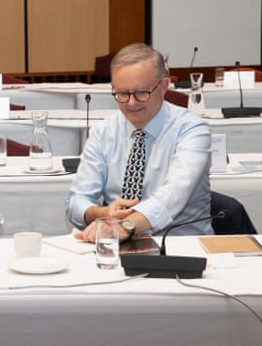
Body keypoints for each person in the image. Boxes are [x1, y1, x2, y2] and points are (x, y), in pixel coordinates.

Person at [66, 43, 213, 243]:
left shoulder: (191, 129)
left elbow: (173, 196)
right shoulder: (103, 131)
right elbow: (76, 200)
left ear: (163, 86)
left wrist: (126, 225)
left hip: (180, 244)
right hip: (114, 245)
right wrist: (102, 213)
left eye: (141, 93)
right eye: (122, 94)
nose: (131, 103)